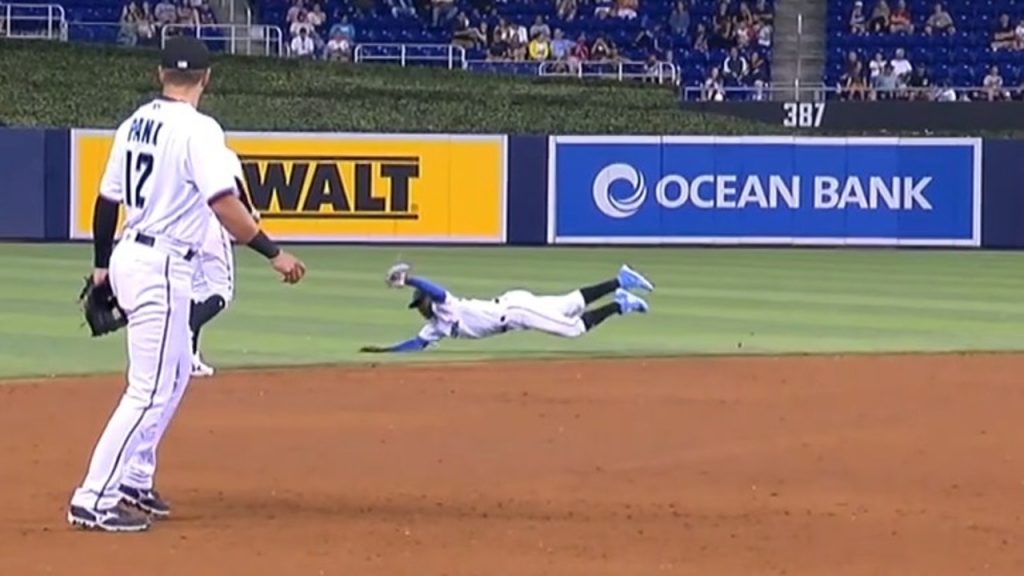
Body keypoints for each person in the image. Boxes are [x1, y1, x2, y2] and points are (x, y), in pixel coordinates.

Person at [67, 36, 306, 533]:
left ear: (160, 74)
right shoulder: (200, 130)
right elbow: (224, 202)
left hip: (134, 253)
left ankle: (133, 477)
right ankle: (92, 498)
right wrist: (273, 252)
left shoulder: (134, 123)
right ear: (207, 78)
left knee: (173, 377)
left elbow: (107, 200)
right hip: (163, 265)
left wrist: (101, 266)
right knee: (149, 389)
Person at [359, 265, 653, 353]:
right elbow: (417, 343)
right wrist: (385, 352)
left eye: (420, 304)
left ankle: (619, 303)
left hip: (516, 311)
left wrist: (409, 279)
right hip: (514, 307)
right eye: (417, 307)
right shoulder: (435, 325)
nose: (420, 310)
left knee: (574, 329)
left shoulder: (445, 306)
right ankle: (621, 280)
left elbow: (435, 290)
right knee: (571, 303)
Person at [188, 150, 259, 376]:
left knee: (196, 292)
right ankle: (183, 333)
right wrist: (249, 212)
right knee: (221, 292)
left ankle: (189, 357)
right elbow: (235, 184)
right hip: (210, 222)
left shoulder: (179, 150)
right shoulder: (222, 154)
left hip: (183, 227)